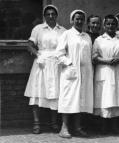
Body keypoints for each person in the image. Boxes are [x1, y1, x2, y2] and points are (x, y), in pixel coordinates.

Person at [24, 5, 66, 134]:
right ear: (44, 16)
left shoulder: (63, 30)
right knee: (37, 91)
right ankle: (36, 123)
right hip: (41, 62)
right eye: (48, 14)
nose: (51, 16)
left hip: (56, 63)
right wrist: (38, 55)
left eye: (53, 14)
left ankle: (54, 123)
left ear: (56, 15)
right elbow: (30, 46)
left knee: (55, 93)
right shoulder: (38, 29)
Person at [55, 10, 93, 138]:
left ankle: (77, 128)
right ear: (72, 20)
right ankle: (64, 128)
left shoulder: (87, 36)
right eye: (77, 19)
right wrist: (69, 63)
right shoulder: (67, 34)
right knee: (68, 99)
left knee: (81, 100)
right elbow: (59, 54)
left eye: (82, 19)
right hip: (71, 73)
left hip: (85, 74)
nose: (80, 21)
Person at [92, 14, 119, 135]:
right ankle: (103, 126)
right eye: (108, 24)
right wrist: (107, 61)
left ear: (117, 26)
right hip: (104, 72)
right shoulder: (99, 40)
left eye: (113, 24)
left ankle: (114, 125)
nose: (110, 26)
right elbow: (94, 57)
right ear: (104, 25)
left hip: (118, 72)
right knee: (104, 98)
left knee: (116, 97)